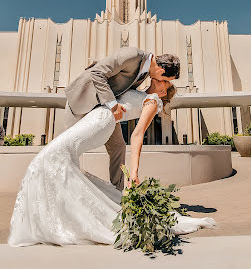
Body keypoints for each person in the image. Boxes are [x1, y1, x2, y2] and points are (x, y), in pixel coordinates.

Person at [7, 79, 215, 247]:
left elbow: (138, 134)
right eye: (163, 79)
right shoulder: (138, 86)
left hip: (102, 122)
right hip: (95, 117)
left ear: (162, 93)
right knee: (53, 159)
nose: (161, 80)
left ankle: (69, 220)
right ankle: (58, 217)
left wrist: (133, 173)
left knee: (49, 157)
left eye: (165, 83)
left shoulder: (153, 101)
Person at [64, 47, 180, 190]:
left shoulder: (145, 75)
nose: (160, 80)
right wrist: (113, 105)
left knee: (118, 147)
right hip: (83, 100)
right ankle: (64, 187)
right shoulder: (132, 55)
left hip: (106, 111)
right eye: (166, 80)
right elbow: (97, 72)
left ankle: (116, 193)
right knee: (66, 148)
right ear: (161, 71)